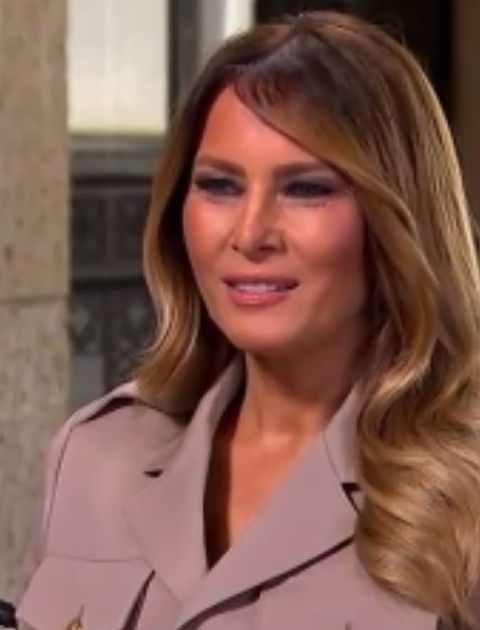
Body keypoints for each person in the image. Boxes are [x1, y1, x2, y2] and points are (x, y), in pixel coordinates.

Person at [14, 9, 480, 630]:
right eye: (220, 185)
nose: (251, 233)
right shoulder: (94, 458)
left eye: (306, 188)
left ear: (397, 220)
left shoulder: (464, 497)